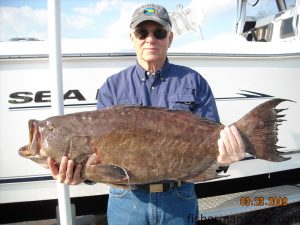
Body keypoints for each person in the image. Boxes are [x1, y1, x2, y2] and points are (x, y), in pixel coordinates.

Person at [47, 4, 246, 225]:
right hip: (126, 200)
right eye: (142, 33)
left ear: (169, 39)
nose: (150, 39)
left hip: (179, 199)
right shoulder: (112, 87)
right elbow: (97, 152)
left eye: (158, 33)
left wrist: (225, 158)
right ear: (132, 38)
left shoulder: (194, 81)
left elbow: (215, 143)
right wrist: (80, 174)